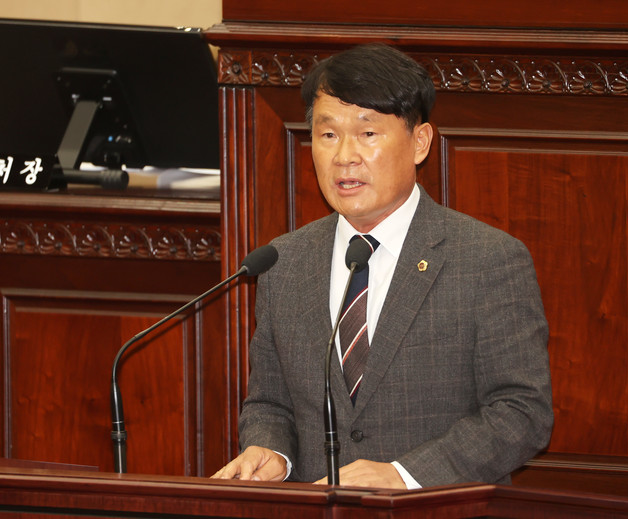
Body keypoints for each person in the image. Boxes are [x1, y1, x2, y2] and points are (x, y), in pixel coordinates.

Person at [212, 43, 553, 489]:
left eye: (368, 133)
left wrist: (404, 476)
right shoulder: (285, 263)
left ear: (420, 142)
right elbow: (270, 404)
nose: (344, 156)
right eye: (328, 135)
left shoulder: (487, 259)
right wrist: (272, 452)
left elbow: (522, 412)